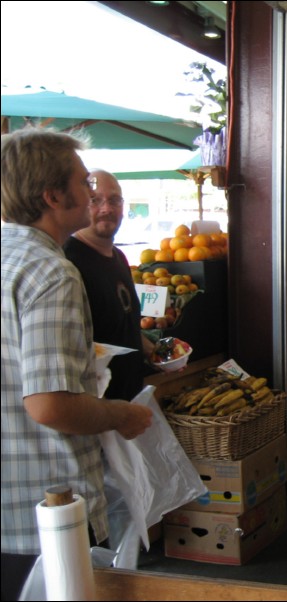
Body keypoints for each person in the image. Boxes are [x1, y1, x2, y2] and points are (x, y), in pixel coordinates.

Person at [1, 127, 153, 602]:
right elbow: (50, 405)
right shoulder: (52, 272)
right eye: (85, 183)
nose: (93, 195)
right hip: (50, 512)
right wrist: (123, 415)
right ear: (52, 195)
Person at [64, 169, 154, 401]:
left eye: (114, 200)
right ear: (82, 203)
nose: (107, 209)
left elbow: (124, 326)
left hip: (129, 401)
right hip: (97, 407)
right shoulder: (67, 262)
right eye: (95, 200)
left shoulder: (120, 258)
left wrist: (154, 352)